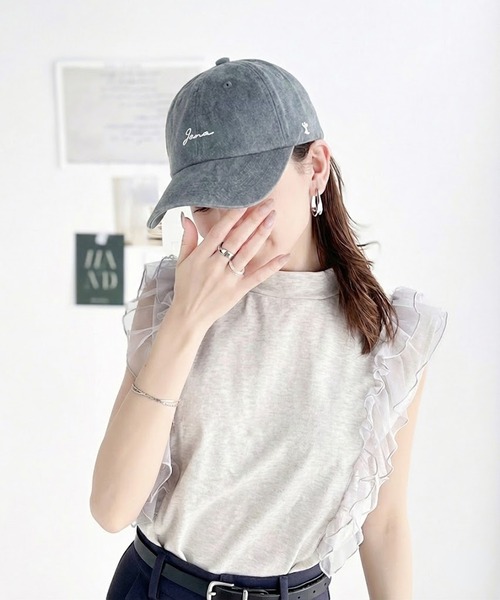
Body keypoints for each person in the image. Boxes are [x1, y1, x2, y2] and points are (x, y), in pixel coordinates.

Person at [90, 57, 448, 600]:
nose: (227, 225)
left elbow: (385, 524)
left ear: (316, 168)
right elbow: (112, 507)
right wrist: (188, 319)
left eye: (248, 190)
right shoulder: (169, 296)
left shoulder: (392, 335)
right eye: (205, 202)